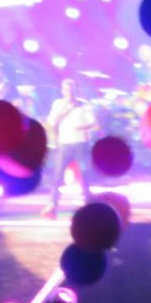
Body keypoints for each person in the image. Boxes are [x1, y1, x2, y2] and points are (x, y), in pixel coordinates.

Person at [46, 78, 97, 216]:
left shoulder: (84, 104)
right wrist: (63, 110)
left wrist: (82, 126)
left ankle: (88, 204)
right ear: (62, 91)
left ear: (76, 90)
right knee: (57, 176)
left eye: (72, 89)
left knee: (84, 175)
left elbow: (92, 122)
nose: (69, 92)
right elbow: (51, 121)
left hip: (80, 144)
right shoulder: (58, 104)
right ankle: (52, 205)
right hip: (64, 144)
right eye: (67, 90)